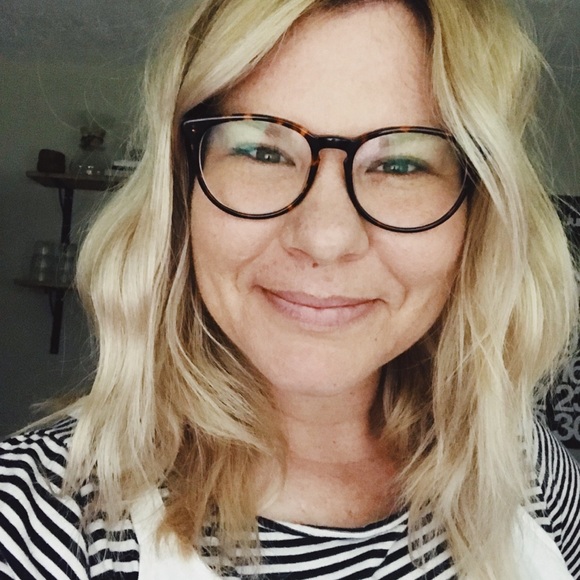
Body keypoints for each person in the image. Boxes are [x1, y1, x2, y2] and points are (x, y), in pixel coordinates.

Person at [1, 0, 580, 578]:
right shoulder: (34, 517)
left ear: (479, 215)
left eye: (401, 165)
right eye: (262, 152)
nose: (325, 237)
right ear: (182, 192)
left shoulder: (528, 472)